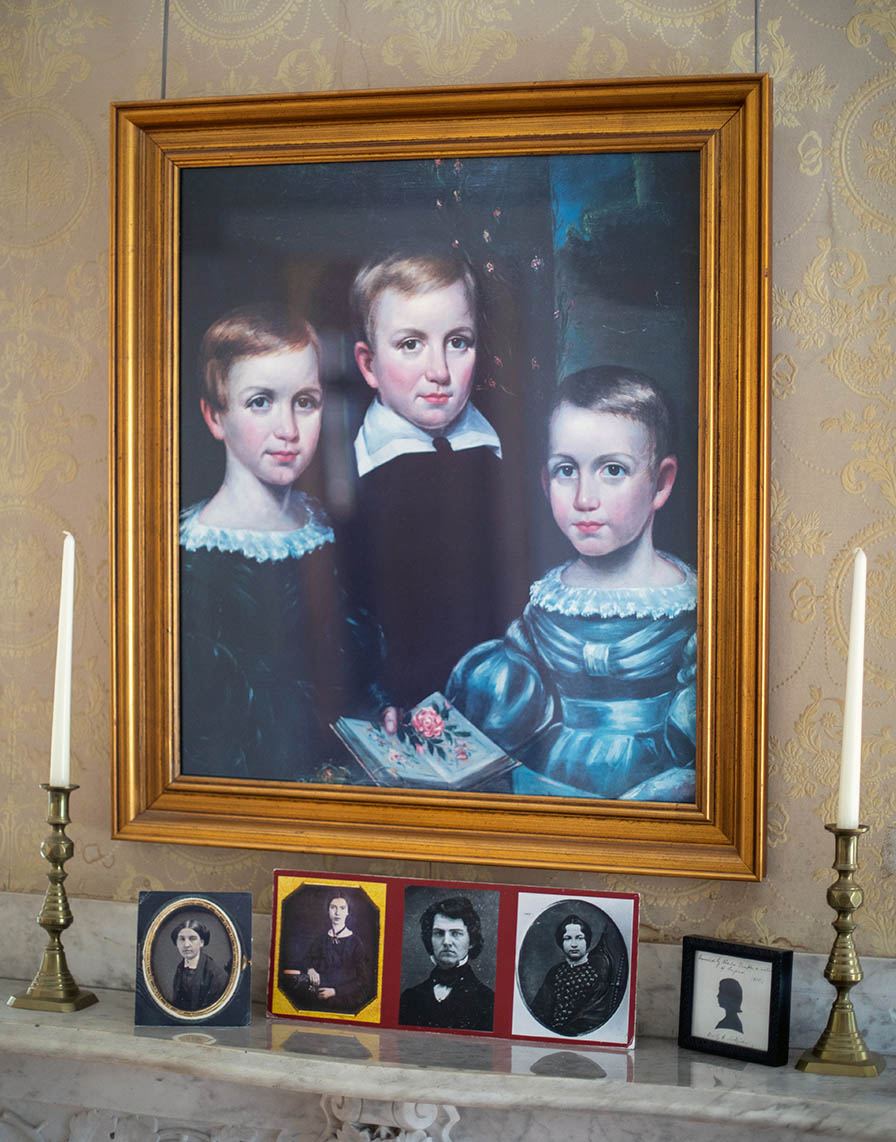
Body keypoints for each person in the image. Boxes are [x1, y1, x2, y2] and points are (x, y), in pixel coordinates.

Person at [447, 365, 697, 802]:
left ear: (661, 482)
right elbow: (505, 728)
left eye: (613, 470)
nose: (584, 498)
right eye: (566, 470)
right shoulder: (545, 603)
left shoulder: (691, 610)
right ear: (546, 482)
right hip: (550, 791)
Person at [179, 304, 389, 783]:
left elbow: (356, 675)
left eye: (305, 401)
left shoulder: (327, 529)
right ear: (215, 416)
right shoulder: (192, 561)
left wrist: (380, 714)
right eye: (260, 402)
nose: (288, 430)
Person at [338, 251, 532, 707]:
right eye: (411, 345)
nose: (439, 372)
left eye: (458, 342)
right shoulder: (344, 473)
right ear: (368, 365)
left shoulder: (508, 459)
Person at [398, 895, 494, 1032]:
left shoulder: (487, 1000)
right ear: (429, 939)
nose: (447, 942)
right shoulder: (410, 997)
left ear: (471, 941)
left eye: (456, 933)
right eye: (439, 933)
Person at [281, 889, 373, 1015]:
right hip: (319, 996)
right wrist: (310, 969)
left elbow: (362, 980)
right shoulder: (321, 939)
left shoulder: (355, 942)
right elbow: (305, 960)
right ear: (328, 911)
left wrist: (335, 991)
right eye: (333, 907)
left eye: (342, 908)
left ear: (347, 912)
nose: (337, 913)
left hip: (345, 998)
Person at [529, 914, 616, 1037]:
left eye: (579, 938)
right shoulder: (555, 972)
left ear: (587, 940)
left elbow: (593, 1017)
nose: (574, 944)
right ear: (561, 942)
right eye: (568, 938)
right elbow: (539, 1008)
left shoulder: (597, 975)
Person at [169, 918, 228, 1013]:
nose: (186, 944)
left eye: (192, 939)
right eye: (182, 939)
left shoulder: (217, 975)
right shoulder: (180, 968)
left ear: (201, 942)